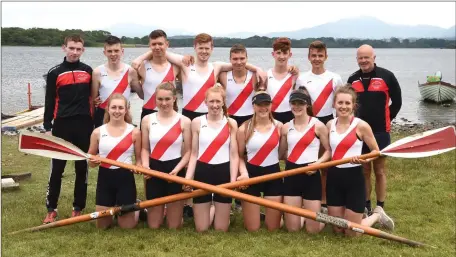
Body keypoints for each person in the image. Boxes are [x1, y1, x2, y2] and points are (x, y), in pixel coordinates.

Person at [132, 33, 263, 121]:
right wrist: (140, 58)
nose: (204, 51)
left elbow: (237, 63)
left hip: (210, 114)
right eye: (201, 48)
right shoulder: (185, 64)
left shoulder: (216, 67)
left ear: (212, 49)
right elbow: (161, 51)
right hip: (189, 114)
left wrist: (257, 69)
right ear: (195, 47)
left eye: (207, 48)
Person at [326, 85, 394, 236]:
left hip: (354, 179)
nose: (343, 106)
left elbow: (376, 152)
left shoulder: (361, 126)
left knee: (352, 234)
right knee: (337, 229)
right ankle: (353, 216)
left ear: (354, 106)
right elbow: (328, 151)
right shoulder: (330, 125)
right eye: (340, 103)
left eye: (347, 103)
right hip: (334, 178)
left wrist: (363, 159)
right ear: (334, 104)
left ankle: (376, 215)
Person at [42, 34, 94, 224]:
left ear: (83, 50)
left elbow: (93, 99)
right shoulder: (55, 72)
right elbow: (49, 102)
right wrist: (47, 127)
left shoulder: (88, 71)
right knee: (57, 169)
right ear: (64, 48)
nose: (74, 52)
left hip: (84, 126)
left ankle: (78, 208)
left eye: (78, 49)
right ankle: (51, 209)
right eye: (71, 48)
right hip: (62, 125)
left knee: (82, 169)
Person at [347, 44, 402, 215]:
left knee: (379, 170)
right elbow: (348, 105)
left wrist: (387, 118)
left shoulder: (387, 76)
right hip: (359, 133)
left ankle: (380, 206)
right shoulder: (352, 79)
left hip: (380, 132)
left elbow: (398, 102)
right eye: (360, 58)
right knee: (364, 171)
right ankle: (366, 205)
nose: (363, 61)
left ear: (374, 58)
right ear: (357, 59)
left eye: (366, 57)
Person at [296, 40, 344, 213]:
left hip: (326, 122)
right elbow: (299, 103)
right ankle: (303, 197)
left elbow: (340, 105)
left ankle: (323, 200)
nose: (317, 59)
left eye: (320, 56)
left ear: (326, 56)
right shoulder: (301, 78)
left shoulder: (334, 78)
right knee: (306, 161)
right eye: (313, 56)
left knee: (324, 164)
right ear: (309, 57)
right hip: (308, 122)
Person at [183, 85, 239, 232]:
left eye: (218, 101)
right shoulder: (197, 122)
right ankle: (212, 207)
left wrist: (233, 181)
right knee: (202, 229)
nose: (215, 105)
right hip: (203, 171)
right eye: (211, 101)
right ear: (205, 102)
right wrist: (188, 178)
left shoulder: (231, 123)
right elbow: (194, 154)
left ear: (223, 102)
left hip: (223, 171)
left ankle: (218, 209)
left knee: (221, 229)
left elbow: (234, 155)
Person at [278, 87, 331, 233]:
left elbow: (328, 151)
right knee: (292, 229)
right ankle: (301, 215)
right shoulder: (286, 127)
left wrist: (318, 164)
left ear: (307, 104)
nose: (297, 106)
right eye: (293, 103)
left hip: (311, 176)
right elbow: (281, 153)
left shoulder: (318, 125)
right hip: (291, 175)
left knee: (312, 231)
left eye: (300, 103)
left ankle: (321, 219)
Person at [140, 82, 192, 229]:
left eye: (167, 99)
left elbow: (188, 152)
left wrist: (177, 170)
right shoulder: (147, 120)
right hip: (154, 168)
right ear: (155, 99)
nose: (164, 103)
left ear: (174, 99)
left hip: (175, 169)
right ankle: (147, 211)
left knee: (174, 226)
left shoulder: (184, 121)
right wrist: (145, 167)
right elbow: (144, 148)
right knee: (153, 226)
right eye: (160, 99)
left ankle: (180, 212)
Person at [87, 93, 141, 229]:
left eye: (121, 108)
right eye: (114, 107)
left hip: (125, 179)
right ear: (108, 109)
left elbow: (139, 160)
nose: (117, 111)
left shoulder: (134, 132)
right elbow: (90, 161)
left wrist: (138, 167)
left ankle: (139, 209)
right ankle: (118, 207)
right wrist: (93, 161)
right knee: (102, 226)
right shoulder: (98, 132)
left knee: (126, 227)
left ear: (126, 110)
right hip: (105, 179)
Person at [237, 91, 283, 231]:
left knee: (273, 228)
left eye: (266, 104)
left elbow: (282, 153)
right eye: (259, 105)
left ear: (271, 105)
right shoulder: (244, 128)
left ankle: (278, 216)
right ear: (253, 106)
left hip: (273, 175)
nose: (263, 108)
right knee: (253, 228)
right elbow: (239, 156)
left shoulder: (280, 126)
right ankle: (258, 214)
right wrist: (244, 174)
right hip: (252, 176)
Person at [91, 36, 142, 128]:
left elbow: (142, 95)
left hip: (123, 115)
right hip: (102, 115)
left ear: (122, 51)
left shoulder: (130, 71)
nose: (113, 54)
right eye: (109, 51)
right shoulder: (97, 72)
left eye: (116, 51)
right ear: (104, 52)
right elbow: (94, 101)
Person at [134, 30, 180, 121]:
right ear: (149, 45)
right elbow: (130, 83)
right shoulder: (142, 66)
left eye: (160, 44)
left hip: (170, 112)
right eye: (154, 44)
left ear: (167, 44)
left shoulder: (175, 67)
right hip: (148, 113)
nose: (157, 47)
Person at [265, 37, 299, 124]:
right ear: (273, 54)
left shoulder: (294, 75)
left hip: (291, 117)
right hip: (271, 117)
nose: (281, 56)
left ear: (290, 55)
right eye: (278, 53)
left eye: (285, 53)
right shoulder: (266, 75)